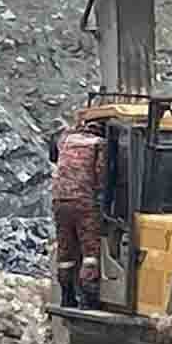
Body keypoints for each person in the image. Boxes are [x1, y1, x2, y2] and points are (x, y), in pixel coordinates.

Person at [51, 118, 107, 309]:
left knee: (65, 248)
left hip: (59, 201)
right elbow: (101, 175)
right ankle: (88, 298)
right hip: (83, 202)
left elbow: (55, 156)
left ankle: (67, 296)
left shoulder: (66, 139)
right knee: (90, 250)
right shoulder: (98, 144)